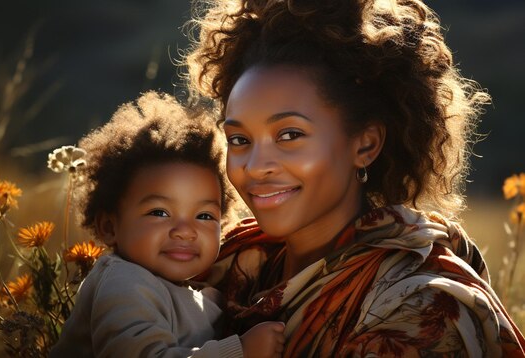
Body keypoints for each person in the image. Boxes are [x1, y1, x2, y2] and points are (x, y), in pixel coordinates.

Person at [184, 0, 525, 356]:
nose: (255, 166)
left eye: (290, 135)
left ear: (366, 144)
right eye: (240, 140)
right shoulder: (214, 263)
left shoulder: (421, 310)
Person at [50, 91, 285, 358]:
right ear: (109, 227)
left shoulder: (188, 290)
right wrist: (240, 351)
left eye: (205, 216)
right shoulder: (123, 283)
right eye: (160, 213)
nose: (185, 231)